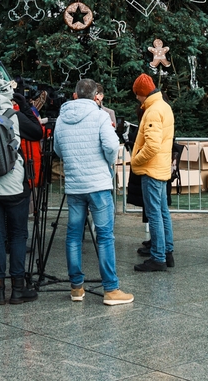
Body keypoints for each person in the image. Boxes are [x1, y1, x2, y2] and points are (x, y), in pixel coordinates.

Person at [53, 78, 133, 306]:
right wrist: (107, 163)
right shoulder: (100, 116)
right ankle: (111, 289)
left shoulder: (62, 119)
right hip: (98, 183)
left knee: (73, 236)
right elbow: (111, 146)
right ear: (95, 95)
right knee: (105, 235)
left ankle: (76, 287)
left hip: (75, 184)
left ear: (76, 94)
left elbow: (58, 148)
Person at [0, 80, 41, 305]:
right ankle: (19, 288)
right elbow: (37, 132)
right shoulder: (15, 116)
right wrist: (24, 107)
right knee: (18, 234)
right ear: (10, 96)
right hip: (12, 185)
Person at [131, 74, 175, 272]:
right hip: (161, 167)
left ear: (142, 93)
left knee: (154, 213)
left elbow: (152, 146)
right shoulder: (164, 106)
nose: (137, 99)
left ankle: (158, 257)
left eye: (137, 95)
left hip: (151, 169)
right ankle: (167, 252)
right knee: (163, 212)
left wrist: (135, 160)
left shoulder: (152, 111)